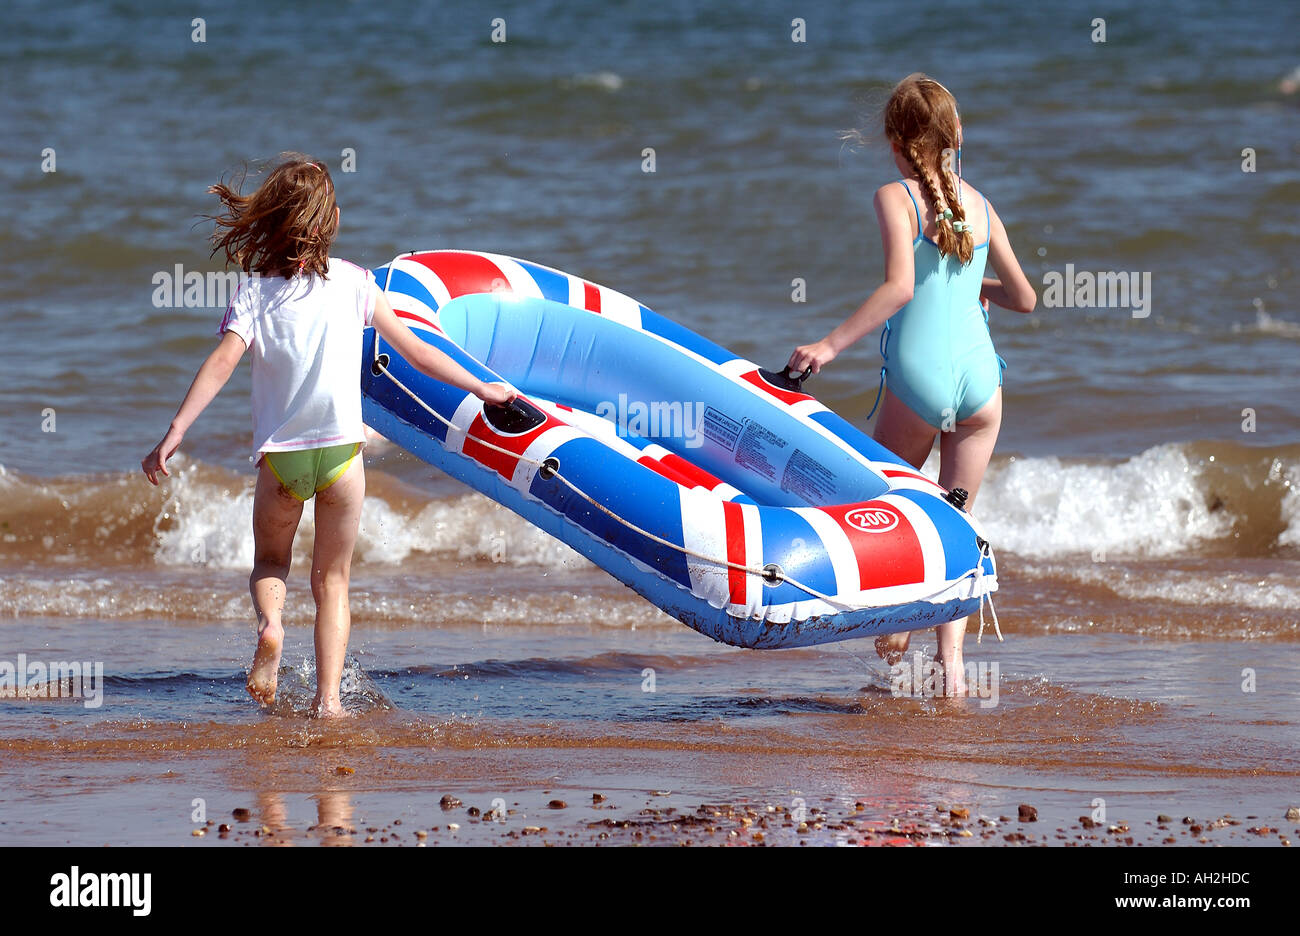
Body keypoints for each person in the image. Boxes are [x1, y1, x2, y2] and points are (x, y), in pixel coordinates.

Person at [141, 154, 515, 717]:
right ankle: (330, 701)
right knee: (333, 581)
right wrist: (481, 388)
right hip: (343, 455)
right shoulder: (357, 283)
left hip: (282, 461)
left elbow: (221, 364)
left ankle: (271, 627)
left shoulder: (255, 294)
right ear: (328, 221)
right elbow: (416, 352)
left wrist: (174, 431)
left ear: (273, 221)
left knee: (271, 563)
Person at [787, 75, 1035, 695]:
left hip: (917, 378)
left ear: (899, 143)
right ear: (956, 138)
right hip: (982, 385)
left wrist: (829, 345)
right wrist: (975, 286)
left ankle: (893, 649)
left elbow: (900, 287)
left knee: (885, 511)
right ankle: (952, 675)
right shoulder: (981, 204)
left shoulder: (895, 197)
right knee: (957, 522)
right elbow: (1027, 299)